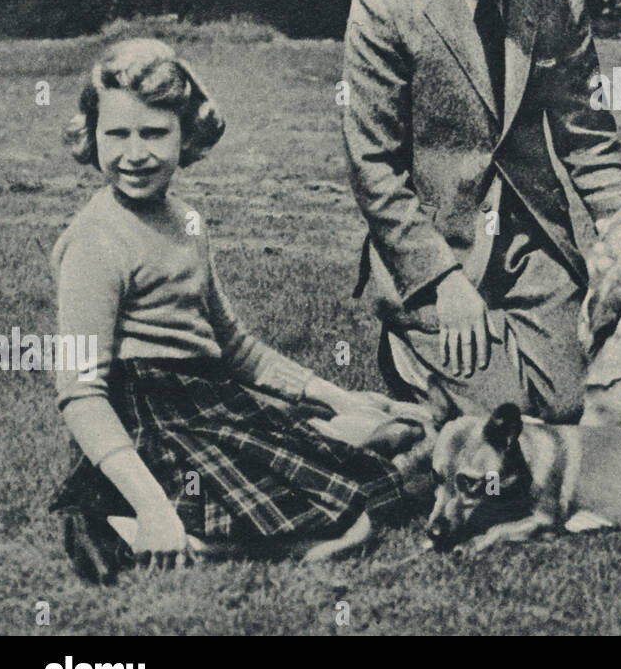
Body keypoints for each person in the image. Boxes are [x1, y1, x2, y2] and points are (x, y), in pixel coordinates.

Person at [50, 39, 405, 583]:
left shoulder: (186, 220)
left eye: (154, 133)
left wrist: (336, 397)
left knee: (382, 470)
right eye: (116, 134)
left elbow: (234, 344)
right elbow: (80, 392)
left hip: (210, 400)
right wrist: (152, 506)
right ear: (92, 136)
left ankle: (325, 446)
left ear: (187, 135)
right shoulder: (94, 240)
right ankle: (135, 523)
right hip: (150, 419)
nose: (134, 153)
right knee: (348, 525)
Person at [343, 0, 621, 423]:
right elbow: (373, 167)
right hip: (438, 245)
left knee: (574, 409)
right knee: (508, 419)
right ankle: (409, 344)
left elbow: (587, 136)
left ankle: (472, 363)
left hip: (531, 245)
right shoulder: (382, 1)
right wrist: (442, 282)